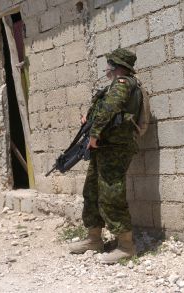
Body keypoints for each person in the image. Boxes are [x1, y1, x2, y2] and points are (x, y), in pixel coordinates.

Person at [69, 48, 142, 264]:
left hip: (115, 148)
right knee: (91, 191)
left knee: (112, 194)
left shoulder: (124, 83)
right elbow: (105, 108)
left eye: (109, 63)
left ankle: (126, 247)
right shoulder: (113, 87)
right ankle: (94, 239)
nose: (106, 68)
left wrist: (94, 133)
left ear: (115, 65)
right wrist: (88, 117)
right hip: (103, 148)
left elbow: (111, 108)